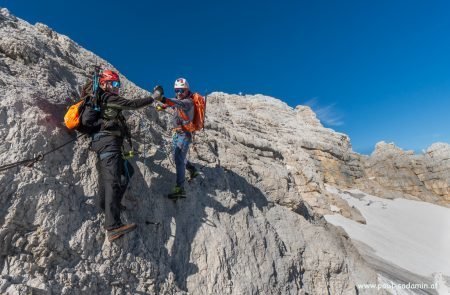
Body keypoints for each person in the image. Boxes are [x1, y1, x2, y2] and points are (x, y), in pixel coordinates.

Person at [87, 69, 163, 242]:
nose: (116, 87)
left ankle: (109, 207)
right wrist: (153, 97)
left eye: (117, 84)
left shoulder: (103, 98)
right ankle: (113, 226)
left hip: (109, 142)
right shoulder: (108, 97)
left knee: (127, 171)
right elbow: (132, 104)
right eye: (113, 84)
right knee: (112, 179)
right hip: (107, 142)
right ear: (104, 83)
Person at [156, 78, 199, 199]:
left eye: (181, 90)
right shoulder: (180, 101)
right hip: (178, 134)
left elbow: (176, 103)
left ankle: (180, 188)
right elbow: (174, 105)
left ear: (187, 90)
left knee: (179, 159)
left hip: (184, 135)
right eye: (176, 90)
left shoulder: (188, 102)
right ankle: (192, 169)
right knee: (179, 156)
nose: (179, 93)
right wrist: (164, 106)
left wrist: (161, 98)